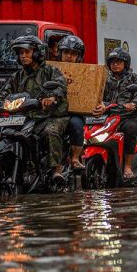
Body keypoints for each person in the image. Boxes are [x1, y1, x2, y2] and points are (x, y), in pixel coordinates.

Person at [0, 35, 69, 183]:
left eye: (26, 52)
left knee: (50, 132)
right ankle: (3, 167)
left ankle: (56, 170)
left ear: (36, 53)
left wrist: (52, 97)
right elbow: (5, 92)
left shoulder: (50, 71)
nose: (23, 56)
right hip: (26, 118)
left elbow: (60, 86)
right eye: (20, 53)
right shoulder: (18, 75)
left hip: (51, 116)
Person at [92, 47, 137, 180]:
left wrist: (133, 104)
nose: (115, 64)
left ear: (126, 64)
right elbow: (97, 97)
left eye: (119, 61)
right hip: (110, 117)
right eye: (112, 62)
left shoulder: (135, 79)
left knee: (130, 128)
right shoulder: (105, 80)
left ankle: (127, 166)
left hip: (131, 117)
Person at [57, 35, 86, 171]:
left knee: (76, 124)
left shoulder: (87, 73)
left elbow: (94, 93)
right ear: (60, 53)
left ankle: (75, 159)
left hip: (75, 113)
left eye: (73, 53)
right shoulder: (50, 70)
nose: (69, 56)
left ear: (78, 56)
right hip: (53, 113)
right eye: (66, 52)